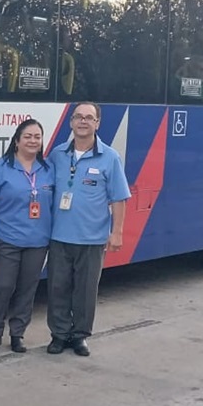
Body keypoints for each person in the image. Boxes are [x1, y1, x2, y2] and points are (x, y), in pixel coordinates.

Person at [45, 101, 131, 356]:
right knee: (57, 287)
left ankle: (80, 336)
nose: (83, 122)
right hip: (59, 235)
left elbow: (118, 198)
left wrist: (117, 233)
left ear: (97, 124)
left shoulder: (110, 157)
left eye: (88, 118)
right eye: (78, 117)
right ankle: (59, 335)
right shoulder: (57, 155)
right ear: (71, 122)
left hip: (92, 239)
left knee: (85, 290)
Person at [0, 118, 55, 353]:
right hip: (5, 240)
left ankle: (18, 334)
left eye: (37, 137)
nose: (33, 141)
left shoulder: (49, 169)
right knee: (2, 286)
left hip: (38, 242)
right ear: (17, 141)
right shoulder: (0, 168)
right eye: (28, 136)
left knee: (27, 289)